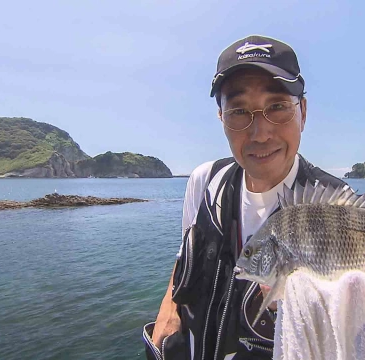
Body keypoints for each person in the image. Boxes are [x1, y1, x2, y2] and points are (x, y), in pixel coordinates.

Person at [142, 35, 349, 360]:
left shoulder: (336, 203)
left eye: (277, 106)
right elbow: (185, 255)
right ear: (221, 117)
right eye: (239, 111)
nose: (260, 133)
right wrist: (170, 303)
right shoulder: (205, 181)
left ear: (303, 112)